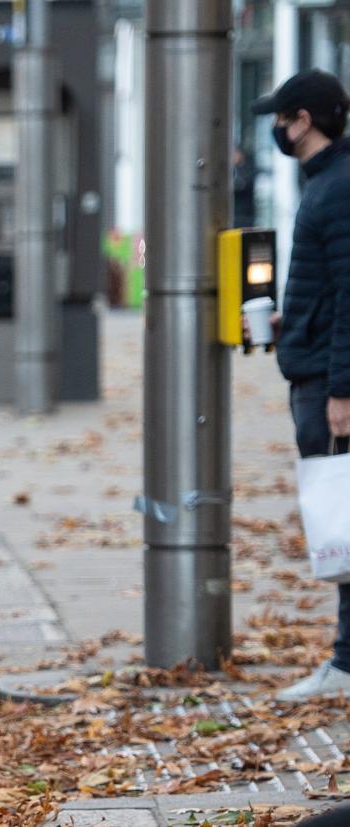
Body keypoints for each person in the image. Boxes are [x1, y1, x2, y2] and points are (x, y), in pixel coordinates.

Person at [250, 69, 350, 701]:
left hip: (327, 383)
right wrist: (295, 319)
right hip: (316, 365)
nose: (276, 131)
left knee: (342, 518)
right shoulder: (327, 183)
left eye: (280, 120)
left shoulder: (336, 189)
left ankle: (345, 663)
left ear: (303, 121)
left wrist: (342, 389)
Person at [232, 145, 257, 228]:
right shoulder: (232, 169)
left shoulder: (248, 167)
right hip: (235, 214)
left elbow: (242, 185)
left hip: (246, 214)